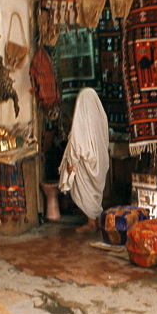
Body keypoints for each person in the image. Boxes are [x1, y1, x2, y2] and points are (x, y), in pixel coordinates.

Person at [59, 87, 110, 232]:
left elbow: (78, 142)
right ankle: (96, 219)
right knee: (95, 193)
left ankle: (91, 222)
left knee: (85, 192)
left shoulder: (82, 121)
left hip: (86, 163)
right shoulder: (101, 116)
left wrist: (72, 161)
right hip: (100, 161)